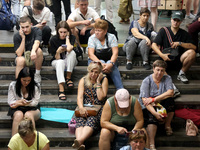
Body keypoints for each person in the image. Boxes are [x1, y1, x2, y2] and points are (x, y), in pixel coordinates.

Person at [152, 11, 196, 84]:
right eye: (174, 20)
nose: (176, 22)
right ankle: (170, 85)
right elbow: (154, 44)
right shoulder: (163, 30)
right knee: (157, 67)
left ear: (181, 21)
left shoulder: (184, 33)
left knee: (192, 52)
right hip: (165, 58)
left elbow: (194, 47)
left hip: (179, 59)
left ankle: (182, 73)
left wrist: (180, 43)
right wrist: (162, 55)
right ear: (171, 19)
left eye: (178, 21)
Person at [139, 60, 174, 150]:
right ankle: (151, 144)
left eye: (162, 70)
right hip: (148, 106)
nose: (159, 73)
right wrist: (155, 113)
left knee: (170, 101)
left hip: (159, 102)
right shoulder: (146, 81)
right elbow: (145, 101)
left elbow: (170, 92)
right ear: (153, 69)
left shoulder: (167, 78)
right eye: (158, 70)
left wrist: (154, 99)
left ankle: (167, 125)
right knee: (152, 118)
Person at [72, 62, 108, 150]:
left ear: (99, 73)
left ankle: (79, 141)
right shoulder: (83, 80)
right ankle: (80, 144)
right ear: (88, 71)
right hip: (85, 107)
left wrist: (98, 82)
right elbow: (79, 97)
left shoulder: (104, 80)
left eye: (96, 72)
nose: (93, 74)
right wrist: (81, 108)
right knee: (80, 120)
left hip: (98, 109)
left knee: (91, 120)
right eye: (92, 71)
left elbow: (100, 97)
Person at [88, 19, 123, 90]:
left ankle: (120, 89)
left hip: (109, 60)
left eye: (99, 31)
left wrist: (110, 64)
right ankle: (97, 89)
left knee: (111, 65)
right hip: (96, 60)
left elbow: (115, 52)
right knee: (101, 63)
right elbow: (91, 54)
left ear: (105, 31)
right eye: (96, 30)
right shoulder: (92, 38)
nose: (97, 32)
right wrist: (100, 63)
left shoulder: (112, 37)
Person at [7, 67, 41, 136]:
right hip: (17, 109)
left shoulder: (35, 86)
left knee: (28, 115)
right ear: (20, 78)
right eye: (24, 80)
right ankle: (13, 143)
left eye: (29, 80)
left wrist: (21, 103)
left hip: (32, 109)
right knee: (19, 115)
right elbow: (10, 101)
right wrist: (19, 102)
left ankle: (33, 141)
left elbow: (35, 102)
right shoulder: (13, 85)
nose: (26, 82)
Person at [49, 21, 77, 100]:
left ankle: (68, 77)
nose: (63, 34)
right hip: (57, 61)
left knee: (72, 53)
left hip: (70, 61)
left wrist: (67, 38)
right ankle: (61, 88)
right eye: (61, 32)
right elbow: (56, 58)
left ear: (68, 31)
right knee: (60, 62)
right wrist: (58, 52)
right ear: (57, 31)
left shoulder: (71, 37)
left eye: (65, 32)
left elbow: (69, 49)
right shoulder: (53, 39)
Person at [14, 16, 43, 83]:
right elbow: (19, 54)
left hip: (34, 57)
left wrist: (33, 51)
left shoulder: (36, 31)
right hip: (22, 59)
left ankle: (37, 74)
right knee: (20, 59)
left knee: (38, 50)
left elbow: (37, 42)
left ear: (31, 25)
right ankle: (18, 83)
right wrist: (23, 38)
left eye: (27, 27)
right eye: (23, 27)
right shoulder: (17, 36)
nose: (25, 29)